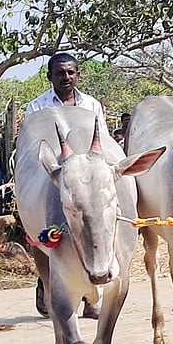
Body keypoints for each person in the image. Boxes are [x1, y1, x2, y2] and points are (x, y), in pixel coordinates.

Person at [24, 53, 105, 319]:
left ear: (78, 75)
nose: (66, 77)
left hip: (89, 184)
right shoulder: (36, 108)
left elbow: (101, 145)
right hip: (54, 181)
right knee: (51, 233)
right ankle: (48, 283)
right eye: (60, 73)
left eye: (70, 72)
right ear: (50, 77)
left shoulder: (92, 106)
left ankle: (93, 296)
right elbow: (35, 150)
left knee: (97, 230)